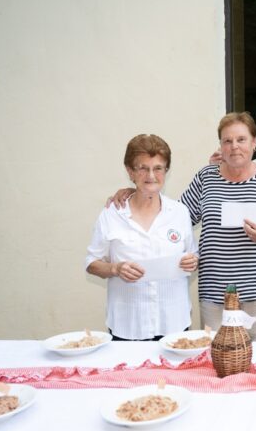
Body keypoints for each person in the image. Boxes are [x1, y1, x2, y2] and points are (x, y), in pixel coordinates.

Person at [180, 112, 256, 341]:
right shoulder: (206, 178)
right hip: (216, 292)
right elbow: (177, 219)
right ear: (220, 146)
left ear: (253, 143)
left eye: (241, 139)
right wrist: (138, 193)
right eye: (227, 141)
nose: (234, 147)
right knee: (217, 358)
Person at [85, 134, 198, 341]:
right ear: (130, 172)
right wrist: (115, 268)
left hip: (173, 323)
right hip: (128, 325)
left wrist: (192, 261)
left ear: (166, 171)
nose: (151, 175)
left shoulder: (180, 212)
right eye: (143, 168)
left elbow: (193, 255)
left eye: (158, 168)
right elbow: (91, 263)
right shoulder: (112, 214)